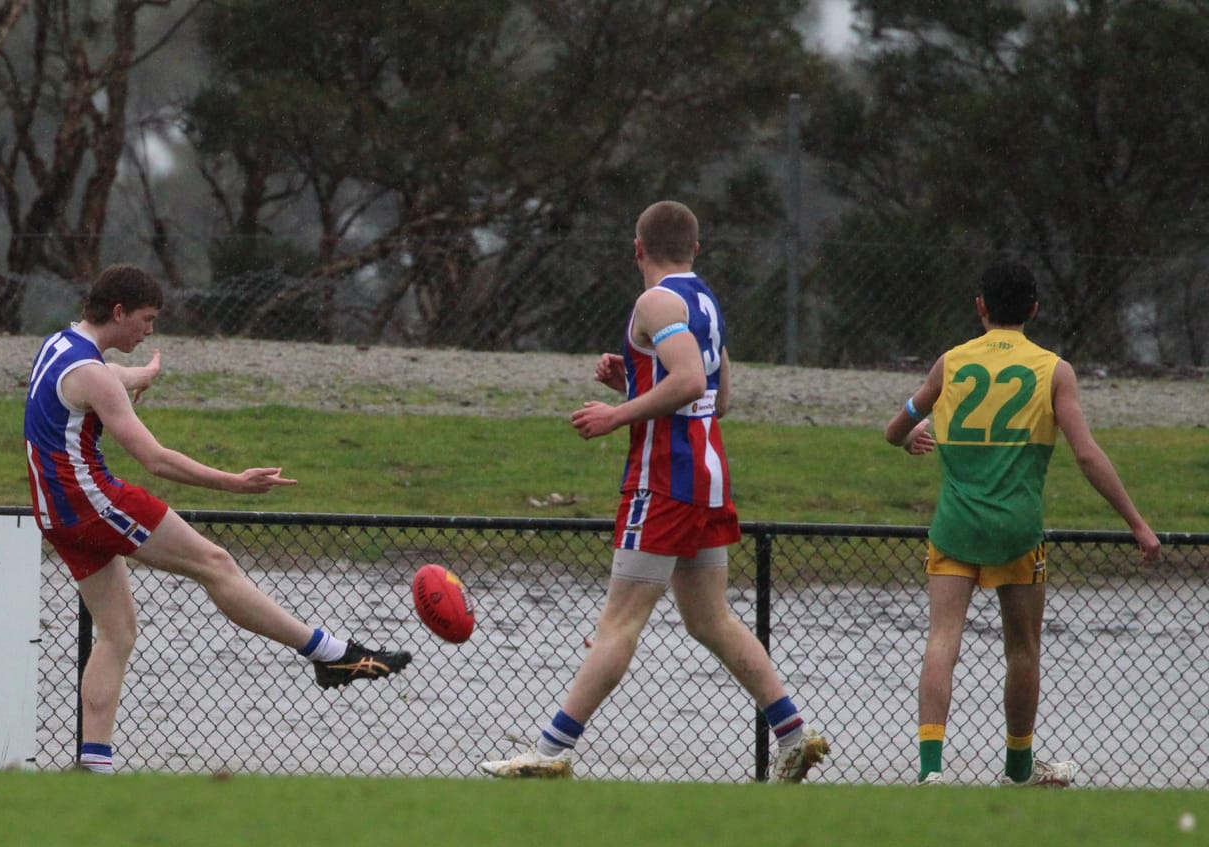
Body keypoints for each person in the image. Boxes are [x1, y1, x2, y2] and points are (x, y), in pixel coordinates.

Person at [484, 201, 829, 782]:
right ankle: (794, 735)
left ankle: (549, 751)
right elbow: (716, 398)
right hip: (707, 474)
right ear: (695, 249)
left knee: (618, 623)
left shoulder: (656, 302)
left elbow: (689, 381)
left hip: (666, 477)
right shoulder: (704, 301)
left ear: (637, 248)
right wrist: (636, 382)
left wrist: (617, 414)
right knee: (710, 620)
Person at [27, 263, 411, 774]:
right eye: (146, 318)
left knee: (117, 633)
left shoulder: (60, 345)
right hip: (91, 501)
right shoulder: (94, 374)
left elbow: (100, 377)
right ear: (119, 312)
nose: (150, 330)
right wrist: (235, 482)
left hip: (55, 513)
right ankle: (330, 653)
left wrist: (140, 375)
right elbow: (155, 459)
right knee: (215, 563)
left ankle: (92, 766)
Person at [882, 259, 1160, 787]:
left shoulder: (950, 363)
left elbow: (895, 428)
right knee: (1023, 649)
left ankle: (930, 770)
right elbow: (1086, 455)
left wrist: (909, 435)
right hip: (1017, 529)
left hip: (956, 527)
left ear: (980, 307)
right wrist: (1137, 523)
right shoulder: (1053, 371)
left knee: (942, 640)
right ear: (1034, 309)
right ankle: (1018, 768)